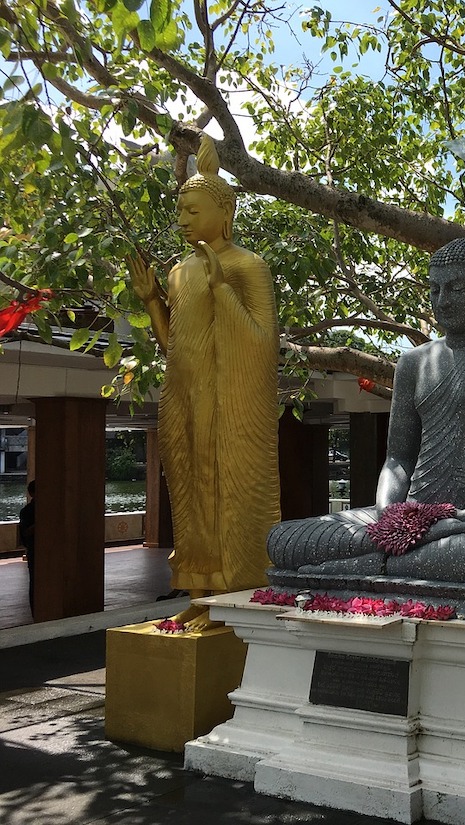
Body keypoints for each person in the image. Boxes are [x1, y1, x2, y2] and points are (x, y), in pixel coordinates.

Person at [268, 238, 465, 607]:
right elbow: (398, 459)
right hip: (413, 516)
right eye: (435, 289)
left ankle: (372, 566)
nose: (443, 301)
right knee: (282, 539)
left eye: (457, 288)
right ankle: (395, 557)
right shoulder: (414, 362)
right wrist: (389, 517)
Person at [129, 134, 280, 632]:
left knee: (227, 491)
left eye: (193, 211)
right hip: (185, 398)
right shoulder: (177, 272)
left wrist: (222, 290)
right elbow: (177, 349)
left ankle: (235, 590)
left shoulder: (247, 266)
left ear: (224, 211)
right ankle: (199, 591)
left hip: (229, 400)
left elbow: (262, 342)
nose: (184, 220)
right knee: (191, 494)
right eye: (181, 210)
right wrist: (153, 301)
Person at [18, 480, 35, 617]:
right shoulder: (27, 512)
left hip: (33, 550)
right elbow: (26, 532)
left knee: (34, 582)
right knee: (35, 582)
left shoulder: (25, 511)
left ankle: (36, 612)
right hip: (35, 550)